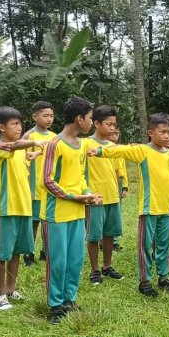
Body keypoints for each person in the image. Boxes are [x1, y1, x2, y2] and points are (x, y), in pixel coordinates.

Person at [91, 113, 169, 297]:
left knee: (164, 244)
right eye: (162, 131)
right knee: (146, 245)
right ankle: (145, 281)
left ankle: (163, 278)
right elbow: (121, 151)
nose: (167, 135)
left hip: (167, 208)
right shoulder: (143, 150)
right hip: (149, 208)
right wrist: (100, 151)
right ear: (150, 132)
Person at [42, 97, 101, 324]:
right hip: (56, 214)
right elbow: (47, 181)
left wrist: (88, 193)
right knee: (58, 261)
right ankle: (55, 306)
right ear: (79, 119)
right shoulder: (55, 144)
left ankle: (70, 299)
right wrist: (73, 197)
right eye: (90, 118)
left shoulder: (80, 145)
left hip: (78, 212)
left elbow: (81, 177)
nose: (91, 122)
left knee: (75, 259)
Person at [0, 107, 45, 310]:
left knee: (16, 252)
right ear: (1, 127)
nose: (19, 128)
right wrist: (34, 142)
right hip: (5, 209)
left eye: (20, 124)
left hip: (23, 208)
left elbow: (23, 167)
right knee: (1, 253)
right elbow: (13, 147)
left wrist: (35, 153)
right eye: (14, 124)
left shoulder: (21, 151)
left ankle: (11, 289)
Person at [82, 106, 125, 285]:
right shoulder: (85, 144)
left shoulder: (113, 147)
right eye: (109, 124)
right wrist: (87, 193)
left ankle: (107, 266)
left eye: (115, 124)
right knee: (93, 235)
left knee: (109, 234)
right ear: (97, 123)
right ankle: (95, 270)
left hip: (112, 197)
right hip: (95, 198)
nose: (113, 128)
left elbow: (116, 171)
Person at [22, 101, 56, 266]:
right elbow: (24, 163)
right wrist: (28, 187)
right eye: (45, 115)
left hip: (49, 187)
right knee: (33, 221)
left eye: (51, 115)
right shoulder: (29, 137)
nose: (49, 119)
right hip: (34, 188)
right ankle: (29, 253)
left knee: (47, 221)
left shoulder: (54, 137)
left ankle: (46, 251)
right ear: (35, 117)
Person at [107, 129, 128, 251]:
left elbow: (123, 169)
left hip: (119, 182)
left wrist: (125, 186)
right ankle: (104, 241)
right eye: (112, 133)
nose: (115, 135)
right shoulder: (106, 149)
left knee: (117, 212)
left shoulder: (120, 149)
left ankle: (114, 241)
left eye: (117, 133)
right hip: (110, 182)